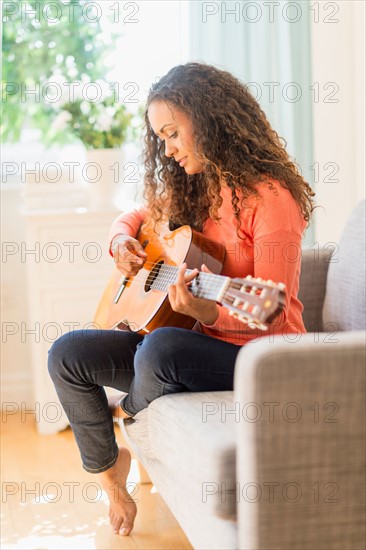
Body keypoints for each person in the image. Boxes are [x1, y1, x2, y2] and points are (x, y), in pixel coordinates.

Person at [48, 62, 315, 536]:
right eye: (161, 139)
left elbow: (271, 322)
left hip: (256, 355)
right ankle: (113, 475)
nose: (167, 150)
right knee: (68, 353)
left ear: (209, 119)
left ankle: (131, 410)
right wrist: (121, 245)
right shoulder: (193, 188)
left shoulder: (272, 199)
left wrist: (205, 309)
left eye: (173, 134)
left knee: (162, 346)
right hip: (188, 341)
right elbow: (132, 216)